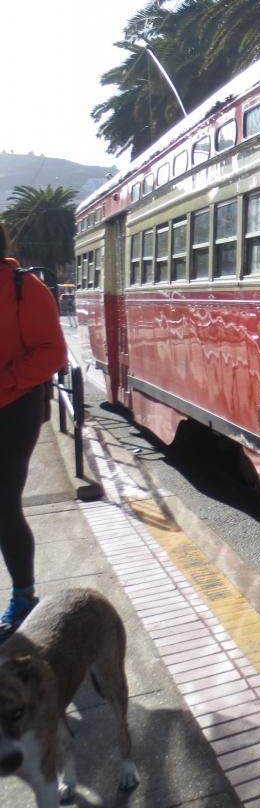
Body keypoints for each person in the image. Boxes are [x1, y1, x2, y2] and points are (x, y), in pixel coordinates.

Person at [0, 222, 67, 642]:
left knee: (3, 503)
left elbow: (52, 352)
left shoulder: (23, 287)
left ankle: (23, 596)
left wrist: (6, 381)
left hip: (13, 408)